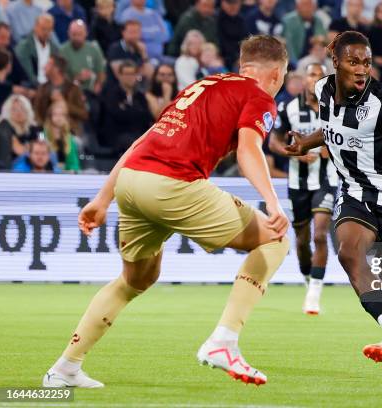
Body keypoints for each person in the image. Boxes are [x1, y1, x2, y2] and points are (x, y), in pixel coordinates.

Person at [42, 35, 290, 388]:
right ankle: (224, 341)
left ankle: (65, 368)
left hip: (132, 181)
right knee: (275, 239)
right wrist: (272, 201)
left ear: (242, 64)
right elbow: (249, 150)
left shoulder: (203, 85)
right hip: (172, 184)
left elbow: (144, 139)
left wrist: (103, 197)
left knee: (136, 278)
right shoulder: (259, 96)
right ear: (278, 74)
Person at [285, 31, 382, 379]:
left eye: (367, 63)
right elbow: (330, 130)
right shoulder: (322, 90)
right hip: (356, 194)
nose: (362, 70)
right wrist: (306, 144)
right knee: (348, 251)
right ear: (336, 60)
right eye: (354, 62)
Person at [269, 63, 337, 314]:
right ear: (303, 79)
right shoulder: (288, 107)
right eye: (311, 74)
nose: (314, 79)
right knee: (302, 241)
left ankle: (314, 294)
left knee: (320, 234)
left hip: (326, 180)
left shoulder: (336, 109)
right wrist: (293, 155)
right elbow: (273, 141)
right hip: (298, 182)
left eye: (319, 75)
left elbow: (352, 139)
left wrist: (336, 150)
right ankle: (309, 280)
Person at [100, 60, 153, 155]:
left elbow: (147, 117)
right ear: (119, 75)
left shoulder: (140, 96)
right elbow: (117, 116)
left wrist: (127, 110)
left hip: (137, 135)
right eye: (126, 74)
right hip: (116, 135)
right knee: (134, 142)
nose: (130, 77)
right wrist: (136, 112)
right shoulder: (110, 94)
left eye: (133, 74)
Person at [33, 55, 88, 134]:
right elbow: (37, 113)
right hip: (47, 133)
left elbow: (83, 114)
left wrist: (64, 103)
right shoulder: (42, 89)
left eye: (48, 64)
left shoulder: (73, 89)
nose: (44, 67)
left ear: (56, 69)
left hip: (70, 132)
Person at [60, 20, 106, 94]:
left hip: (91, 91)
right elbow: (61, 76)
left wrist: (97, 86)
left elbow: (101, 73)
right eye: (74, 34)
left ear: (86, 33)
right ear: (68, 33)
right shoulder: (62, 51)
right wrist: (78, 79)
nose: (77, 38)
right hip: (70, 91)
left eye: (80, 34)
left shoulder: (94, 49)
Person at [15, 13, 60, 87]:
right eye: (43, 29)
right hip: (30, 87)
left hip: (51, 87)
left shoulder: (55, 49)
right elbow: (27, 74)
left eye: (49, 29)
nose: (46, 32)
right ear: (35, 27)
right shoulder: (24, 47)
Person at [105, 20, 153, 85]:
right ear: (123, 33)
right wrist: (140, 74)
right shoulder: (115, 48)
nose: (135, 35)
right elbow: (122, 75)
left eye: (137, 32)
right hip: (117, 88)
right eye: (131, 32)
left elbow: (148, 75)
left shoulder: (140, 49)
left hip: (137, 87)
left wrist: (144, 54)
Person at [282, 0, 327, 65]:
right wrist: (295, 64)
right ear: (297, 7)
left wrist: (319, 40)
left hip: (315, 60)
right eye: (305, 5)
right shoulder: (289, 21)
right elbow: (289, 46)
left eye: (310, 5)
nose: (308, 8)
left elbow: (323, 41)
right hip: (294, 62)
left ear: (315, 7)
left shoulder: (318, 21)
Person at [41, 100, 80, 172]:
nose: (59, 117)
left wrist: (72, 170)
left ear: (66, 117)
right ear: (50, 116)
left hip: (66, 174)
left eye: (62, 115)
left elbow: (74, 162)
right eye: (55, 114)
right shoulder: (42, 135)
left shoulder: (69, 138)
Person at [217, 0, 248, 70]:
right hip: (224, 58)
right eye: (229, 3)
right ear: (222, 3)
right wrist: (236, 58)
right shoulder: (216, 19)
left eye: (235, 3)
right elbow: (221, 43)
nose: (233, 6)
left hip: (241, 57)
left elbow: (246, 40)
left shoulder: (241, 20)